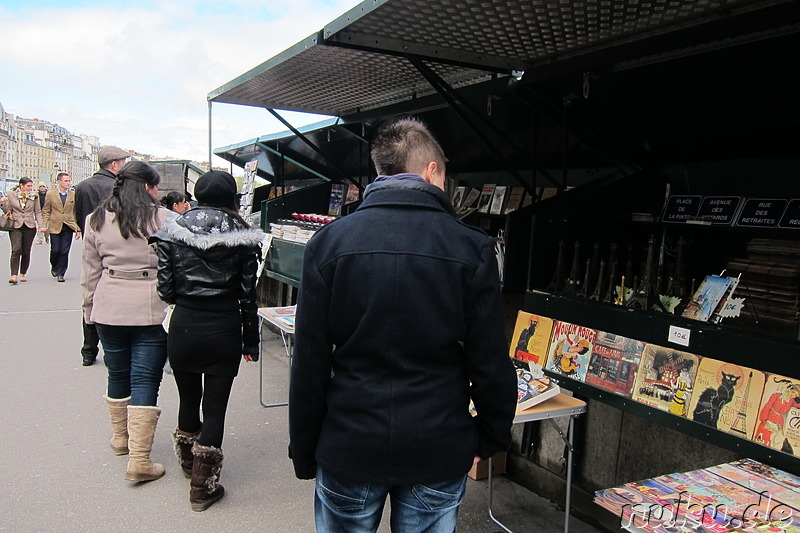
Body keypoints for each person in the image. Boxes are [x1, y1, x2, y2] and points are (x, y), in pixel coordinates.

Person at [289, 118, 517, 532]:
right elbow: (490, 360)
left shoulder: (328, 244)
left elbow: (309, 363)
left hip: (350, 441)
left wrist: (306, 450)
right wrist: (489, 437)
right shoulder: (473, 248)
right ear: (431, 171)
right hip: (438, 443)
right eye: (445, 176)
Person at [150, 170, 262, 512]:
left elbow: (165, 289)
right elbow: (247, 296)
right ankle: (203, 487)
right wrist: (250, 341)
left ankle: (188, 465)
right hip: (224, 326)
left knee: (188, 398)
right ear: (232, 197)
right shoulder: (243, 235)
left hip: (184, 324)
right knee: (215, 408)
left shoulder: (172, 231)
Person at [81, 160, 170, 482]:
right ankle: (140, 460)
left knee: (117, 373)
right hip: (151, 308)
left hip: (109, 304)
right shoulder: (163, 219)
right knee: (145, 378)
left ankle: (121, 439)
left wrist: (89, 308)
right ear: (147, 187)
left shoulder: (96, 219)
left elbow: (90, 270)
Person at [74, 145, 130, 366]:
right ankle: (110, 350)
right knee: (110, 298)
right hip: (113, 248)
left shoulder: (82, 186)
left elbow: (79, 216)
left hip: (91, 244)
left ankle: (88, 350)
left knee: (89, 294)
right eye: (123, 162)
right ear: (114, 165)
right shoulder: (118, 187)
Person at [1, 177, 46, 285]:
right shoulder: (12, 195)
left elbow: (38, 212)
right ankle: (14, 275)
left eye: (31, 186)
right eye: (28, 186)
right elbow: (8, 210)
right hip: (16, 225)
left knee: (26, 251)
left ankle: (22, 273)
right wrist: (3, 204)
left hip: (29, 226)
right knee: (16, 249)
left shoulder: (34, 197)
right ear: (21, 185)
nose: (30, 188)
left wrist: (41, 225)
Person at [42, 173, 80, 282]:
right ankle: (54, 265)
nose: (68, 183)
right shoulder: (51, 194)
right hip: (55, 224)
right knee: (55, 250)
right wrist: (45, 224)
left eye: (69, 181)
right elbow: (46, 210)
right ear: (59, 181)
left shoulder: (73, 194)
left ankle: (61, 273)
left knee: (64, 250)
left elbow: (76, 212)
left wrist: (78, 229)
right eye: (66, 181)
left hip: (68, 225)